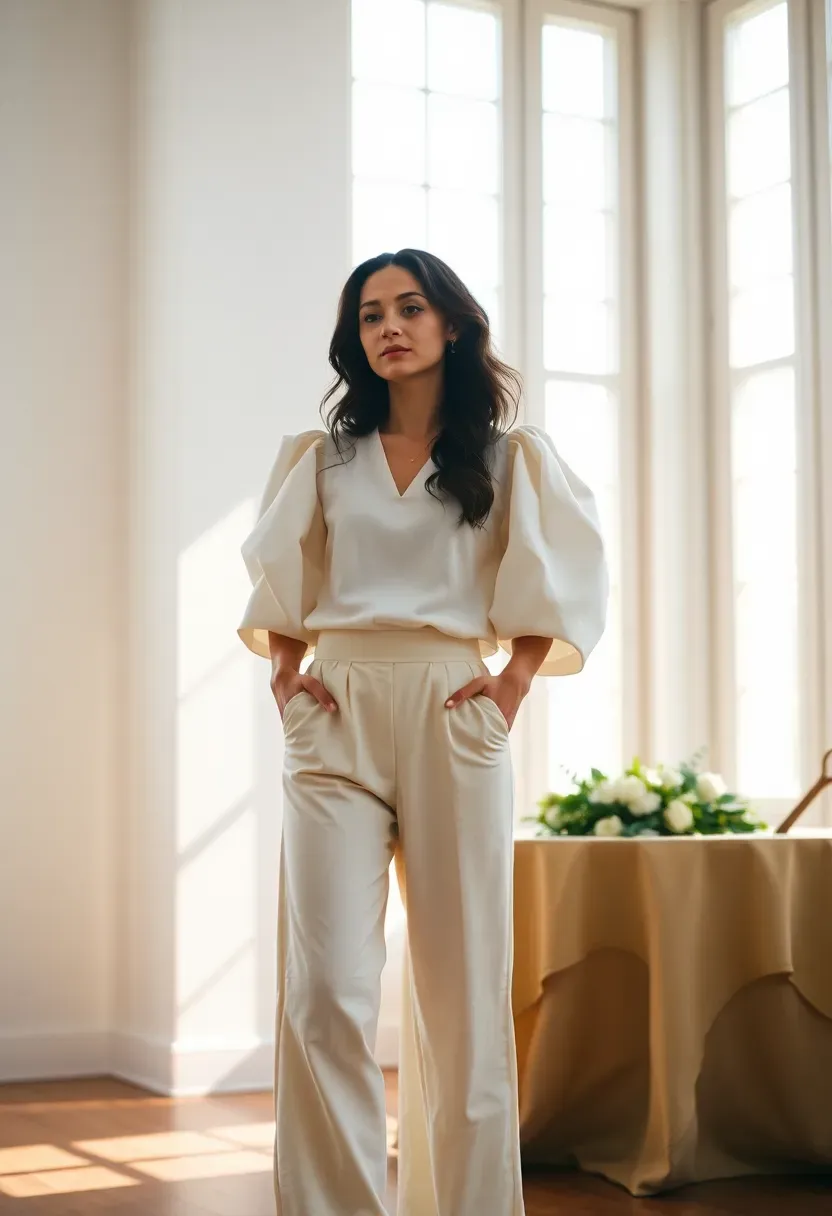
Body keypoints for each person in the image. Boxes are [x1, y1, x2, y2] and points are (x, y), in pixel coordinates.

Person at [237, 248, 608, 1216]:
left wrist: (512, 682)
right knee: (325, 994)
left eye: (409, 307)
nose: (388, 326)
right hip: (337, 711)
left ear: (452, 324)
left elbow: (555, 578)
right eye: (369, 315)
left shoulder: (506, 455)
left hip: (453, 712)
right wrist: (287, 675)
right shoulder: (320, 458)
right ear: (354, 338)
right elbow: (283, 580)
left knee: (462, 998)